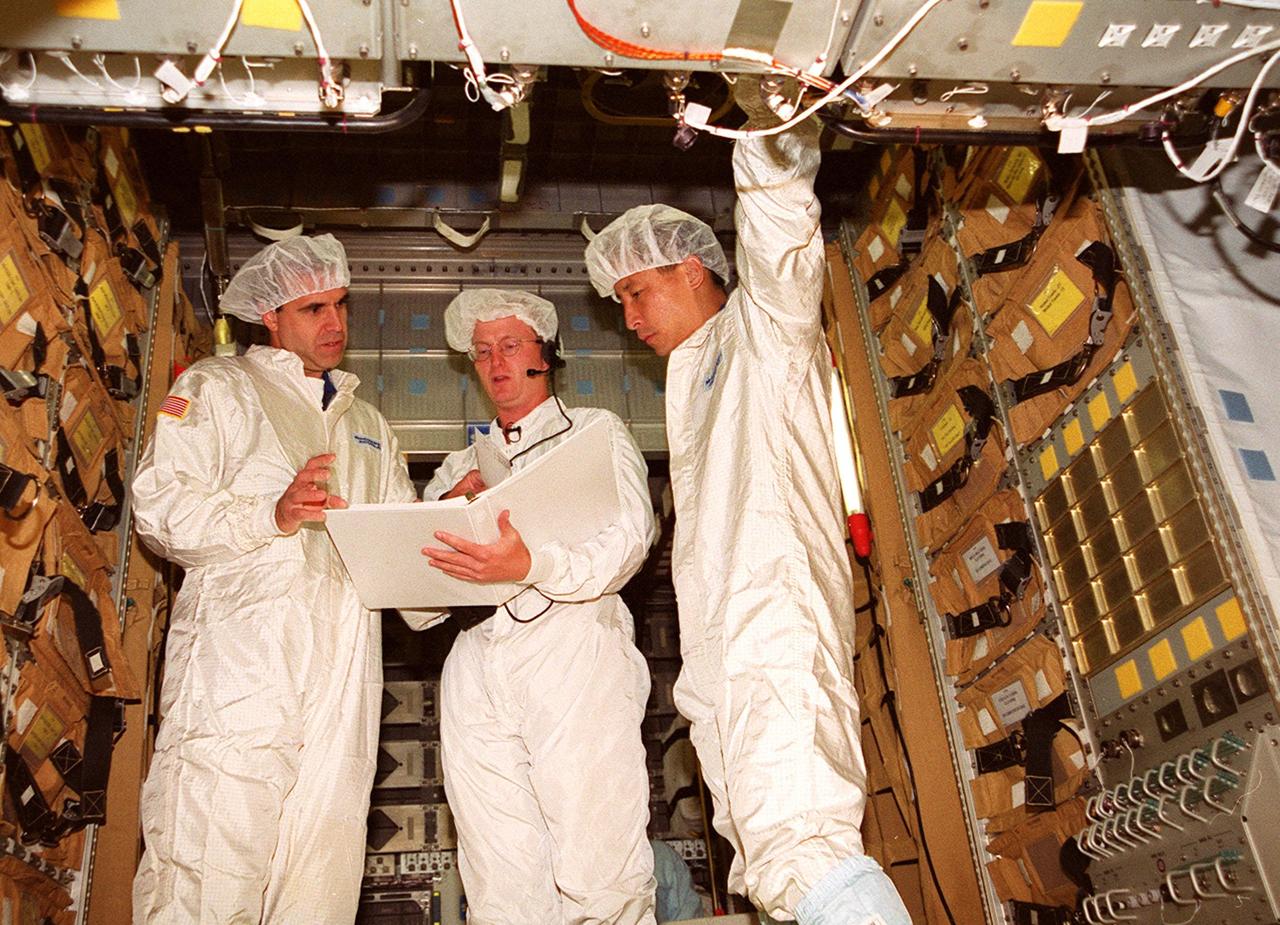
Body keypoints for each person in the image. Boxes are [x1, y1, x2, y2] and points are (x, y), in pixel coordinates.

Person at [583, 99, 913, 924]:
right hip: (726, 662)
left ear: (693, 268)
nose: (626, 316)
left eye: (636, 290)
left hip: (775, 629)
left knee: (807, 850)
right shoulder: (692, 380)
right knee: (770, 865)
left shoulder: (761, 327)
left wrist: (769, 107)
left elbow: (776, 224)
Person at [130, 234, 418, 924]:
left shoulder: (369, 426)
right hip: (240, 675)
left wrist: (455, 530)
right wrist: (272, 511)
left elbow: (403, 554)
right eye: (314, 306)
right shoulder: (216, 386)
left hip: (342, 680)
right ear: (271, 316)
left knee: (318, 879)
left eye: (342, 304)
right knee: (209, 867)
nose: (336, 323)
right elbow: (159, 503)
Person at [418, 288, 658, 924]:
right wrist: (439, 518)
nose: (496, 362)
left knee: (597, 860)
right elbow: (417, 607)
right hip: (475, 662)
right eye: (482, 351)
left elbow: (633, 535)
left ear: (544, 354)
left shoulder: (596, 431)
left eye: (511, 346)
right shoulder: (456, 468)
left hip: (571, 646)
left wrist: (535, 566)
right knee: (499, 877)